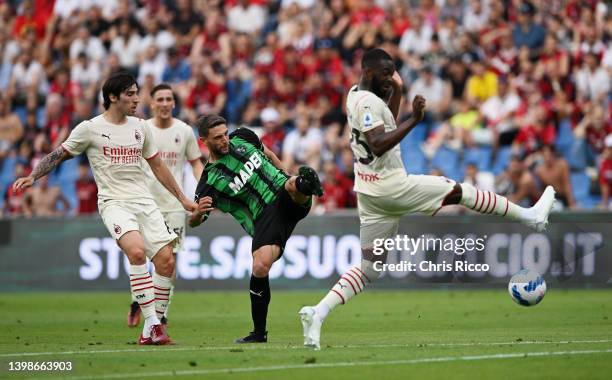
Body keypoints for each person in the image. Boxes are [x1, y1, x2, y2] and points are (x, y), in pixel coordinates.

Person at [299, 48, 556, 350]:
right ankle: (531, 217)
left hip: (369, 193)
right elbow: (379, 143)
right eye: (386, 73)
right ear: (368, 72)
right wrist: (416, 119)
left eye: (394, 72)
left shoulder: (355, 95)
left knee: (370, 267)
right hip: (390, 186)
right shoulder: (367, 102)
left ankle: (318, 313)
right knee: (459, 191)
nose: (392, 78)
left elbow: (386, 123)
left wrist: (397, 90)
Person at [13, 71, 197, 345]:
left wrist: (182, 198)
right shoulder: (90, 128)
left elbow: (158, 166)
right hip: (114, 202)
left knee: (166, 261)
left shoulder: (140, 127)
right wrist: (34, 175)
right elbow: (59, 154)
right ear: (113, 97)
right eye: (130, 94)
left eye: (137, 93)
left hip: (144, 201)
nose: (137, 98)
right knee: (136, 252)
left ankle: (150, 330)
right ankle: (155, 325)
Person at [189, 114, 323, 344]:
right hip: (263, 218)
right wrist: (198, 213)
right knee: (260, 266)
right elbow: (195, 222)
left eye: (224, 134)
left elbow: (269, 154)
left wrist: (287, 176)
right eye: (218, 138)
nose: (225, 140)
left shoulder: (243, 136)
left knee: (292, 183)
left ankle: (304, 185)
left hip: (283, 194)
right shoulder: (209, 182)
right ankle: (259, 333)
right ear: (204, 141)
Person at [126, 83, 203, 328]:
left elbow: (196, 163)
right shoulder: (142, 129)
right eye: (160, 99)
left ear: (174, 103)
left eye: (169, 99)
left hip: (174, 206)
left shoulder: (184, 131)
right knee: (141, 254)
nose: (165, 103)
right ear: (152, 104)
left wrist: (203, 190)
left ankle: (162, 312)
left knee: (171, 259)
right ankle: (138, 301)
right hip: (144, 203)